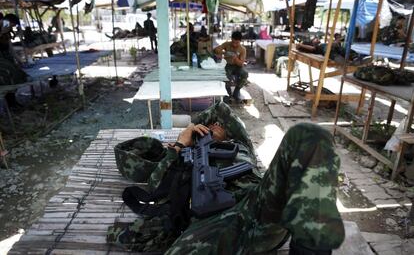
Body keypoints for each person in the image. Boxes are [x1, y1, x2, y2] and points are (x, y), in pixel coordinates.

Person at [107, 101, 345, 254]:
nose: (212, 128)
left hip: (258, 206)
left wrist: (199, 127)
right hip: (217, 223)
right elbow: (155, 186)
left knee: (310, 137)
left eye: (213, 125)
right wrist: (180, 143)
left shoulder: (239, 144)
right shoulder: (180, 157)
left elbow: (222, 109)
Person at [214, 31, 248, 102]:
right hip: (228, 65)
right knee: (225, 75)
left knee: (245, 73)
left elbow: (241, 64)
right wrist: (223, 52)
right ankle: (228, 93)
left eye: (237, 43)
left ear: (240, 41)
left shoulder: (242, 49)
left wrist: (235, 58)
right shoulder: (227, 44)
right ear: (231, 39)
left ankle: (236, 91)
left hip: (237, 66)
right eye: (233, 42)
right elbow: (216, 50)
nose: (234, 44)